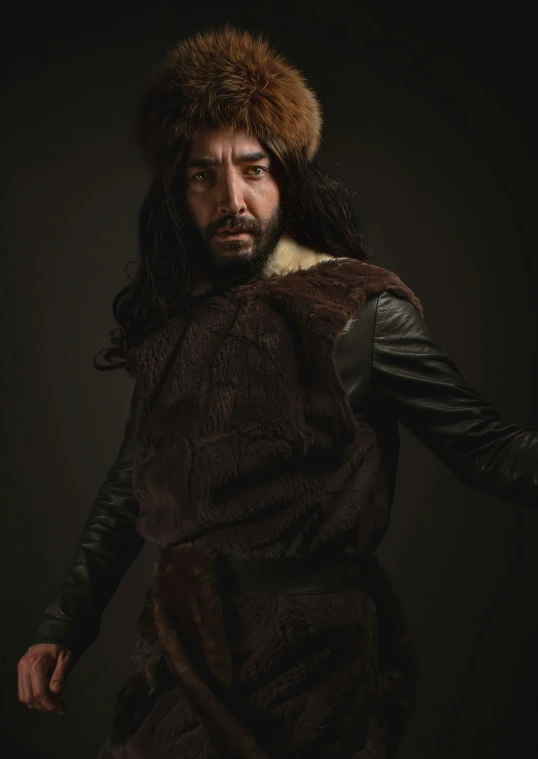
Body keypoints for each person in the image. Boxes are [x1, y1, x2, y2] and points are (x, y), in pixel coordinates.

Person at [17, 24, 538, 759]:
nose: (232, 197)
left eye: (253, 168)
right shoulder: (176, 325)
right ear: (178, 191)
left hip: (312, 662)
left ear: (285, 178)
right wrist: (62, 625)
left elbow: (491, 452)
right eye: (205, 174)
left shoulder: (359, 312)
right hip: (179, 647)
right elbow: (130, 489)